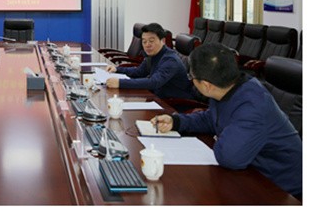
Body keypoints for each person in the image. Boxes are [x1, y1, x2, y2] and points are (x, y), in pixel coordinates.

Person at [151, 43, 302, 197]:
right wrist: (177, 121)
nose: (191, 80)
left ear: (206, 85)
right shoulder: (227, 86)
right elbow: (212, 118)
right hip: (250, 171)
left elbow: (229, 158)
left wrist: (221, 136)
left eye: (192, 77)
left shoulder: (252, 106)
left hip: (281, 188)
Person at [106, 23, 197, 100]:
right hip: (159, 97)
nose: (147, 45)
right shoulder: (153, 54)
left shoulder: (171, 60)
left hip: (175, 104)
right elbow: (139, 72)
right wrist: (117, 69)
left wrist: (120, 83)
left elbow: (154, 82)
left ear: (163, 41)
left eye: (151, 41)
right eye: (144, 42)